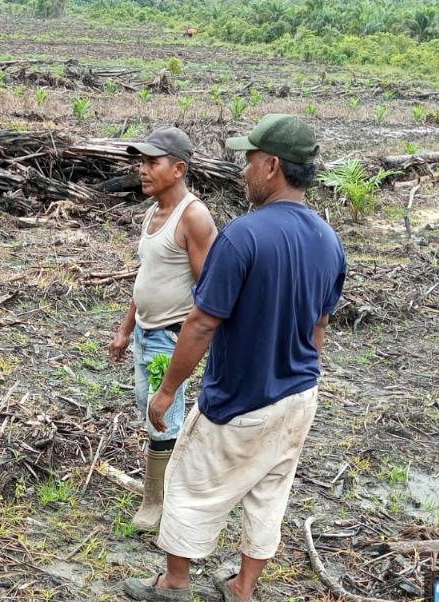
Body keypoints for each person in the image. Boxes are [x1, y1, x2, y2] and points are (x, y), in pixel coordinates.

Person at [122, 114, 346, 602]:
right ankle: (242, 588)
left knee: (187, 481)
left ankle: (175, 583)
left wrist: (166, 391)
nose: (242, 171)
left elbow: (203, 322)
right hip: (299, 395)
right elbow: (318, 329)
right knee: (269, 494)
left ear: (270, 166)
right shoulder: (330, 241)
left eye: (247, 161)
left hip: (240, 396)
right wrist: (296, 373)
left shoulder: (243, 236)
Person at [109, 127, 217, 531]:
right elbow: (147, 277)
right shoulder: (154, 214)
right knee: (148, 405)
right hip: (145, 331)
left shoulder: (193, 216)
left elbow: (209, 291)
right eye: (141, 162)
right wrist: (125, 328)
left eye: (152, 163)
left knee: (162, 415)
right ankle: (171, 484)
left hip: (171, 334)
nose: (143, 170)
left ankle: (158, 503)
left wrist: (193, 340)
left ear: (178, 169)